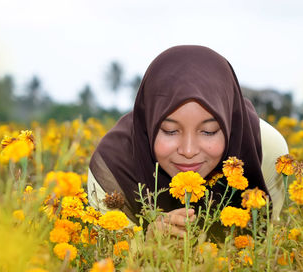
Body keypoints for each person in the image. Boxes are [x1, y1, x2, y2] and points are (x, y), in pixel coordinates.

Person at [87, 45, 288, 237]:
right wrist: (145, 247)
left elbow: (267, 245)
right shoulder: (113, 166)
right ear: (149, 125)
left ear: (230, 125)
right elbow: (110, 257)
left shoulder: (265, 148)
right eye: (170, 130)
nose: (189, 150)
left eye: (208, 131)